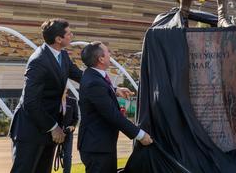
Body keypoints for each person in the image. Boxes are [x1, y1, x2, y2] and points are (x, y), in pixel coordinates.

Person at [9, 19, 83, 173]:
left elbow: (81, 76)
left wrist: (112, 88)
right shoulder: (38, 61)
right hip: (30, 131)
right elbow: (30, 103)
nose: (72, 35)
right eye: (69, 33)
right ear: (58, 39)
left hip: (48, 133)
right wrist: (53, 127)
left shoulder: (62, 55)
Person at [78, 42, 153, 173]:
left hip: (101, 145)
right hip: (97, 148)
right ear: (101, 59)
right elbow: (112, 115)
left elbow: (102, 91)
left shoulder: (93, 76)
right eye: (107, 52)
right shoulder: (94, 82)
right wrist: (139, 135)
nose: (110, 54)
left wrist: (115, 89)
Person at [56, 88, 79, 173]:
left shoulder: (73, 101)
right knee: (49, 154)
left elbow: (76, 117)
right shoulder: (55, 101)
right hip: (55, 133)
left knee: (67, 156)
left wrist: (72, 126)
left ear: (66, 89)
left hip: (68, 133)